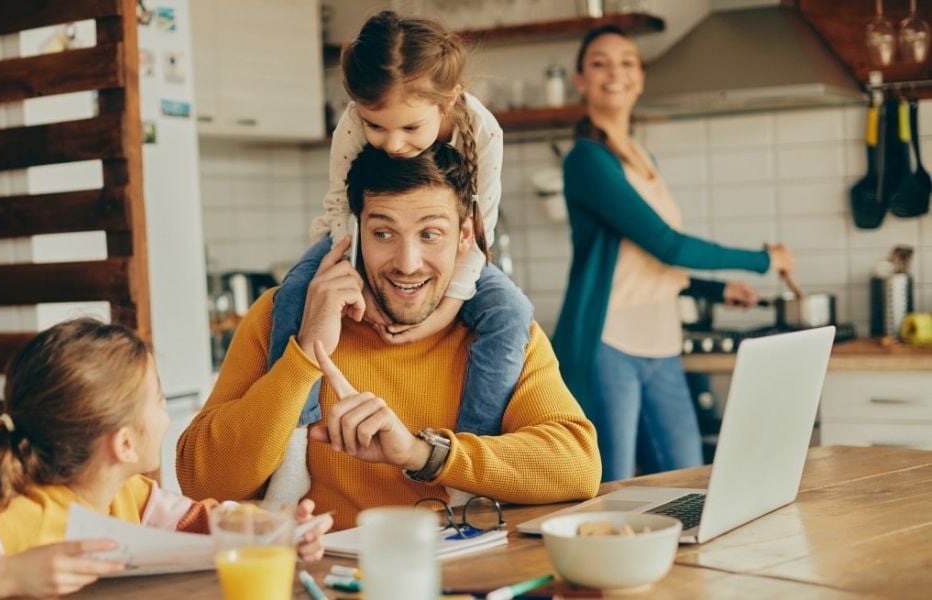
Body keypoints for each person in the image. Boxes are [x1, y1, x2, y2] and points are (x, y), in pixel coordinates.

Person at [178, 143, 601, 531]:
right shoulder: (281, 317)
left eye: (430, 234)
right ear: (354, 233)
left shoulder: (500, 329)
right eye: (383, 233)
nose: (407, 262)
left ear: (464, 237)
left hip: (464, 576)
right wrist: (305, 353)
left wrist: (422, 455)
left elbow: (578, 466)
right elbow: (202, 481)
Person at [0, 319, 331, 600]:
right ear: (124, 446)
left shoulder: (129, 497)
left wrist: (273, 531)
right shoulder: (13, 520)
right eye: (159, 401)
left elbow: (202, 522)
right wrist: (7, 576)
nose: (166, 415)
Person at [261, 10, 534, 509]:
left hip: (463, 261)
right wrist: (357, 275)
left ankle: (466, 465)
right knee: (294, 295)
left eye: (410, 127)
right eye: (377, 127)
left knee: (511, 312)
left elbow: (479, 232)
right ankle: (293, 443)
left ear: (447, 101)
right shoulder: (352, 125)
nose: (392, 144)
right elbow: (342, 209)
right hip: (347, 237)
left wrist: (447, 311)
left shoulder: (484, 131)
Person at [551, 26, 798, 482]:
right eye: (600, 63)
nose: (615, 73)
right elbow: (667, 243)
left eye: (627, 62)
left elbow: (654, 260)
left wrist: (716, 288)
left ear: (641, 78)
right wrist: (764, 259)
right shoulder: (586, 160)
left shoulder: (643, 160)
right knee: (614, 487)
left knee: (686, 481)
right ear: (580, 79)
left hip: (662, 342)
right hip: (610, 344)